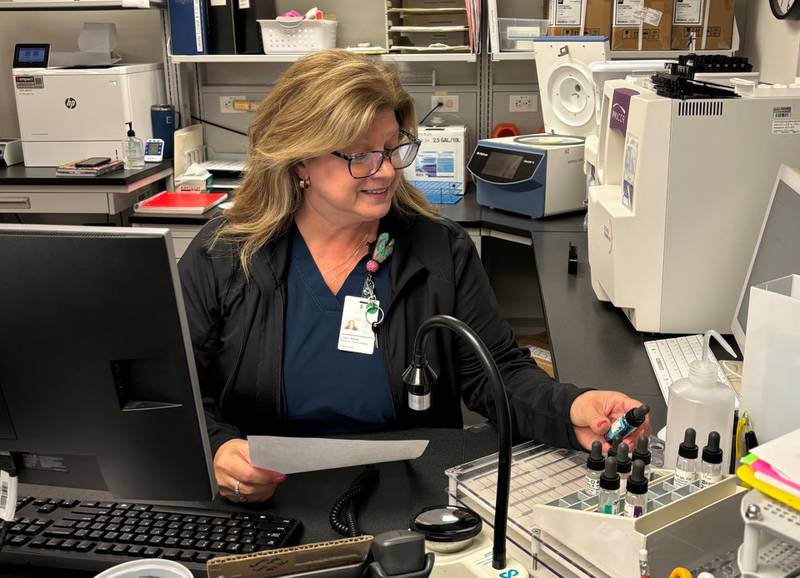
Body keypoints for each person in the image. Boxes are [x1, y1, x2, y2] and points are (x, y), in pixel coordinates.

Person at [178, 50, 651, 504]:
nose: (385, 170)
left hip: (408, 489)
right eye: (360, 155)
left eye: (392, 148)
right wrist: (217, 449)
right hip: (271, 493)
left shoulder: (439, 250)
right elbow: (177, 387)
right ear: (300, 160)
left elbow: (498, 374)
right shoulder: (225, 255)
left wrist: (571, 410)